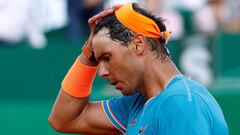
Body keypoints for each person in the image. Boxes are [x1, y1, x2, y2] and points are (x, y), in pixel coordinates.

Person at [49, 2, 228, 135]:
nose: (101, 71)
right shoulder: (136, 105)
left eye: (107, 57)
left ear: (138, 44)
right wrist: (88, 54)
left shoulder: (180, 102)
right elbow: (63, 120)